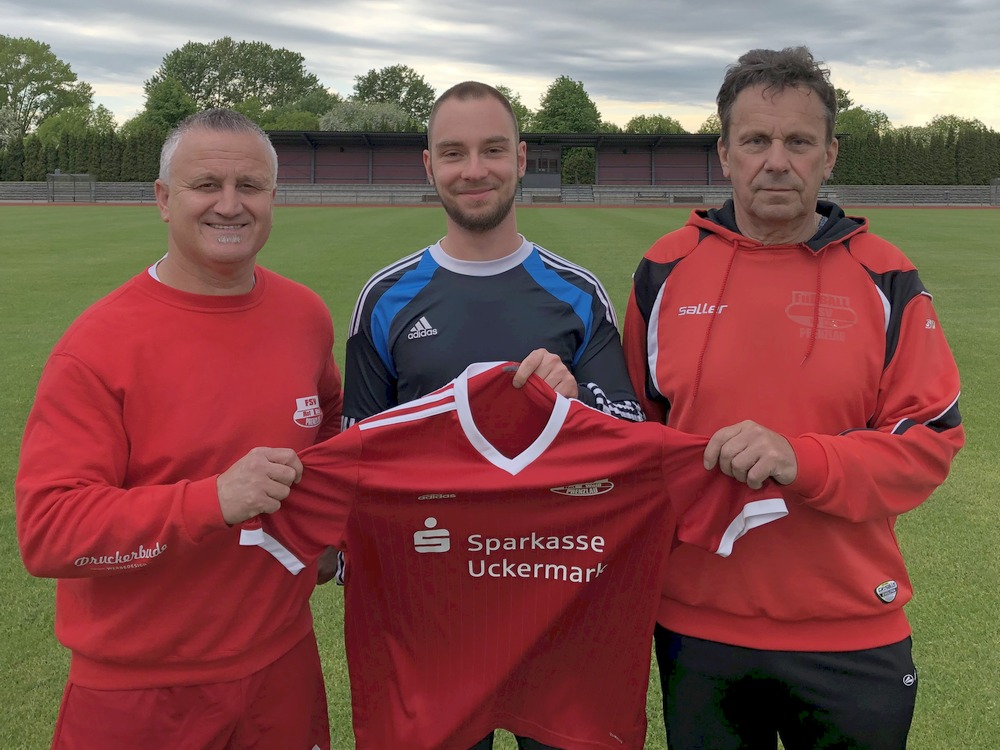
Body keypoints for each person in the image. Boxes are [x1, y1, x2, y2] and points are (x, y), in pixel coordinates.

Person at [623, 46, 964, 750]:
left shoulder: (887, 275)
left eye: (798, 141)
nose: (776, 161)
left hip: (851, 630)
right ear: (724, 153)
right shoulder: (665, 269)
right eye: (755, 140)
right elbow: (632, 435)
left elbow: (928, 442)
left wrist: (802, 459)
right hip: (698, 630)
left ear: (830, 154)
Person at [244, 361, 787, 750]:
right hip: (426, 706)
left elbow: (734, 496)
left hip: (578, 702)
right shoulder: (371, 452)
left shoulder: (642, 456)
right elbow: (287, 516)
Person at [15, 108, 343, 750]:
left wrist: (329, 530)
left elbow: (327, 432)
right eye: (206, 186)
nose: (230, 205)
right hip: (140, 692)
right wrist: (211, 500)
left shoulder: (304, 315)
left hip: (283, 668)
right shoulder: (98, 347)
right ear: (164, 199)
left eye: (250, 186)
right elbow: (49, 533)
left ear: (273, 197)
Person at [333, 82, 644, 750]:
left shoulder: (577, 292)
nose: (474, 169)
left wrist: (576, 402)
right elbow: (353, 453)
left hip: (554, 602)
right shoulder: (385, 298)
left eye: (492, 149)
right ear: (429, 167)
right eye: (454, 153)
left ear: (522, 157)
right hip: (431, 610)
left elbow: (632, 438)